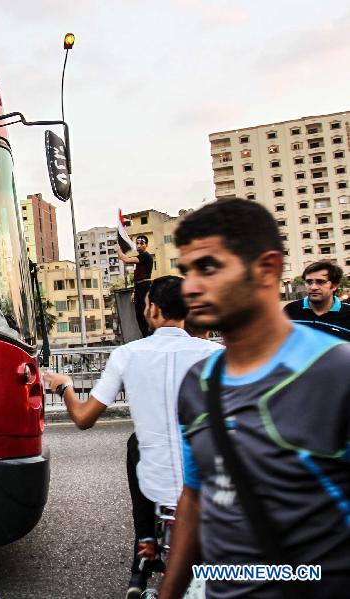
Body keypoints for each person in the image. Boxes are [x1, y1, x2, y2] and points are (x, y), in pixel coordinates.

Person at [159, 199, 350, 599]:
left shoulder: (336, 373)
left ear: (266, 269)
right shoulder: (198, 383)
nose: (190, 287)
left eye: (208, 267)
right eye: (186, 271)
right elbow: (194, 499)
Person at [45, 276, 219, 598]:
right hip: (205, 481)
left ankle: (143, 554)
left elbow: (83, 418)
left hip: (155, 480)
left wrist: (64, 386)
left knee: (137, 444)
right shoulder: (216, 355)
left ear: (152, 309)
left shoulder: (126, 354)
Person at [283, 260, 350, 341]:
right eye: (309, 282)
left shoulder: (348, 313)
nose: (313, 287)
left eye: (320, 282)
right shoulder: (290, 310)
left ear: (334, 286)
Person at [118, 235, 154, 337]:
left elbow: (125, 259)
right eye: (137, 243)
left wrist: (118, 250)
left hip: (145, 287)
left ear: (146, 245)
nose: (139, 245)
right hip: (138, 287)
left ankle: (150, 336)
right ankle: (145, 336)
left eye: (141, 243)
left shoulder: (145, 256)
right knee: (139, 315)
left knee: (145, 313)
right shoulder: (139, 258)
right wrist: (134, 291)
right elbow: (137, 277)